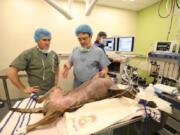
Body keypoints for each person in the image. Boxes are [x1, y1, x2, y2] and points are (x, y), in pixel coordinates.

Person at [7, 28, 60, 95]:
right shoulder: (28, 54)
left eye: (49, 40)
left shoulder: (53, 54)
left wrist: (56, 81)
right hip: (37, 93)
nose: (47, 42)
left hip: (52, 92)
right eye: (44, 40)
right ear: (37, 40)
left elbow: (57, 66)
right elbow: (11, 72)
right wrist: (24, 89)